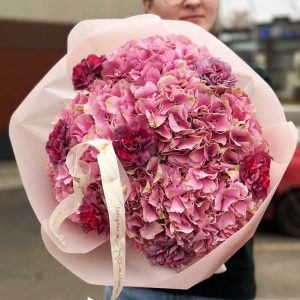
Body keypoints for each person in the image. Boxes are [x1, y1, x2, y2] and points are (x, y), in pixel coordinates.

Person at [104, 1, 270, 299]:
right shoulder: (114, 73)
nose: (192, 0)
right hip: (133, 283)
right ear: (147, 2)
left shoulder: (251, 79)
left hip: (221, 288)